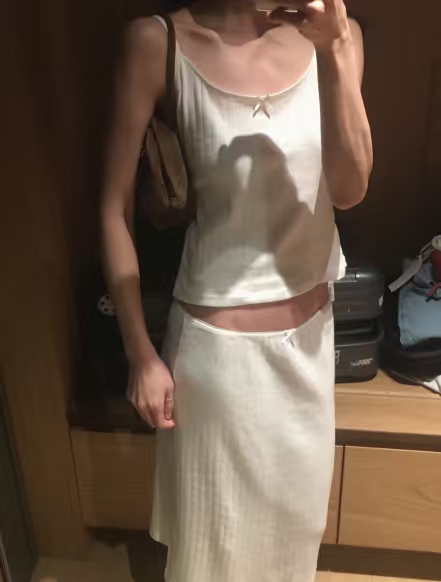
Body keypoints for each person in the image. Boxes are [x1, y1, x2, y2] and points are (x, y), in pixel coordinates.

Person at [101, 0, 373, 580]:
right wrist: (139, 354)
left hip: (308, 360)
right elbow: (111, 210)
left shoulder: (340, 36)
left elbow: (349, 189)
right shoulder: (157, 43)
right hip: (215, 370)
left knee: (293, 555)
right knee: (211, 561)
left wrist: (333, 48)